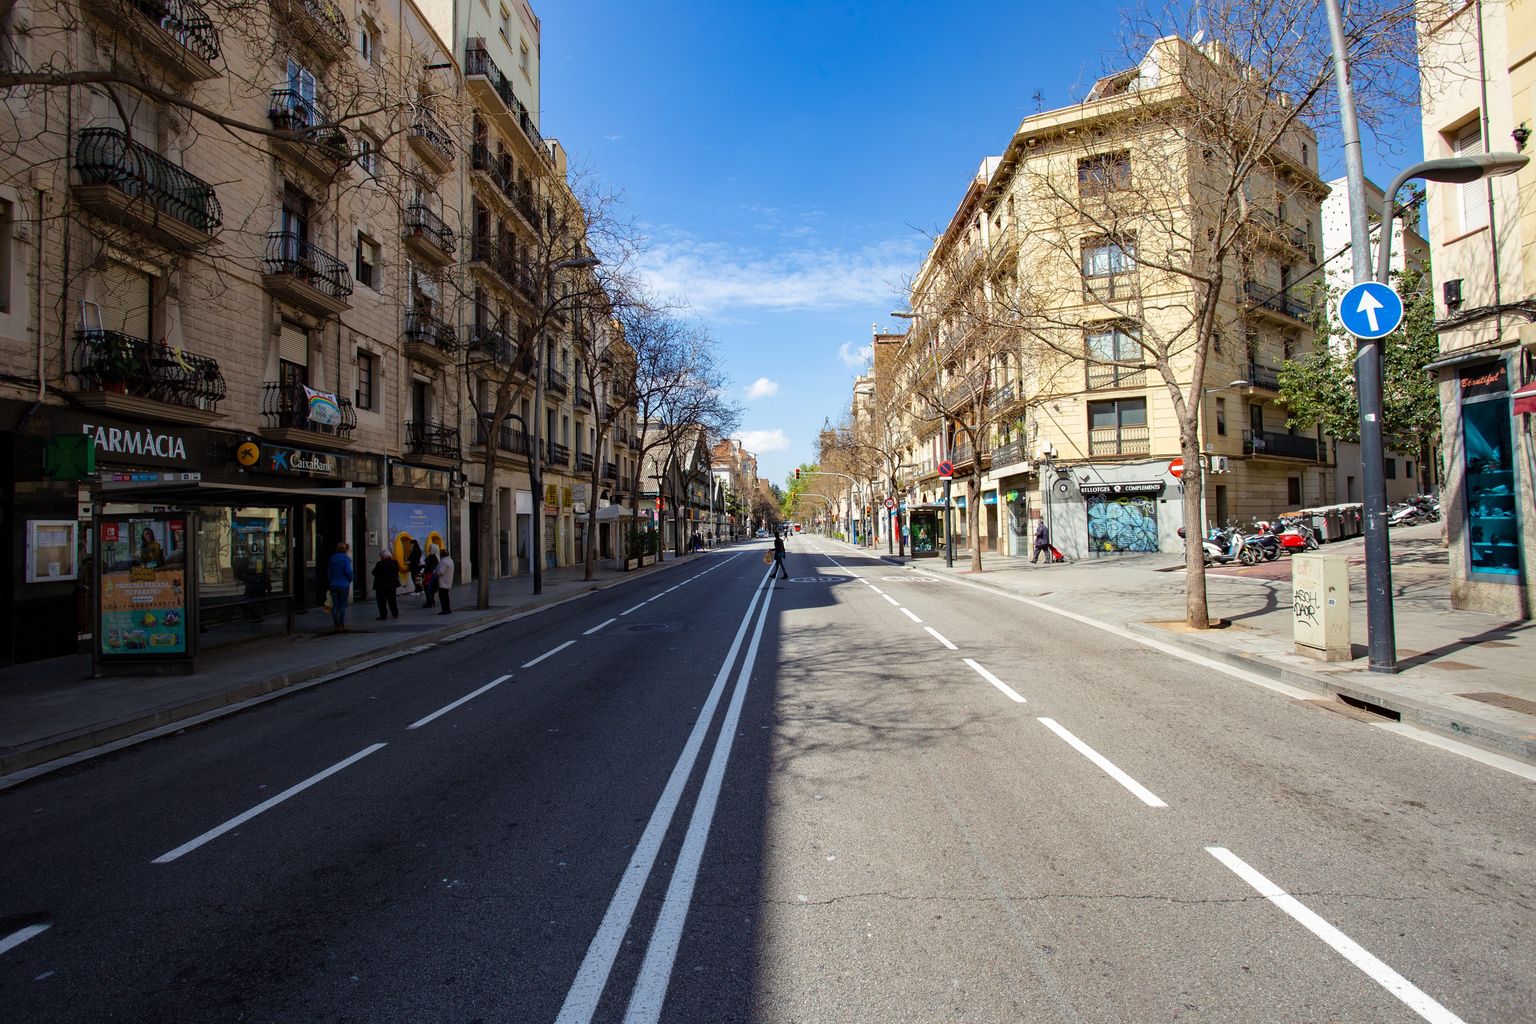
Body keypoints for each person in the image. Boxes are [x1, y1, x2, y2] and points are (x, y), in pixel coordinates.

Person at [327, 542, 353, 631]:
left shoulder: (332, 559)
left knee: (335, 605)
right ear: (345, 550)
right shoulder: (346, 559)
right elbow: (348, 572)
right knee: (342, 605)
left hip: (333, 584)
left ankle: (336, 624)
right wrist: (350, 579)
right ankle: (341, 624)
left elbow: (329, 573)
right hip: (344, 584)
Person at [372, 548, 400, 620]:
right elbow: (397, 572)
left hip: (381, 586)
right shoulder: (395, 562)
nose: (380, 557)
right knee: (392, 600)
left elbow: (374, 572)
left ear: (383, 556)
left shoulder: (380, 563)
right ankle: (395, 613)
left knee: (381, 602)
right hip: (392, 585)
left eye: (381, 556)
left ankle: (383, 615)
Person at [435, 548, 455, 614]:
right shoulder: (450, 560)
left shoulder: (443, 561)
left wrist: (436, 572)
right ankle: (448, 609)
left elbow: (441, 572)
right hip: (448, 581)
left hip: (443, 581)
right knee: (446, 596)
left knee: (442, 597)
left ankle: (444, 610)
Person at [422, 543, 440, 608]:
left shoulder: (431, 557)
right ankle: (432, 600)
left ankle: (429, 602)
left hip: (429, 574)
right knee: (431, 588)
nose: (428, 549)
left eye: (430, 547)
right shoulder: (436, 557)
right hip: (432, 574)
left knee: (426, 588)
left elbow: (429, 566)